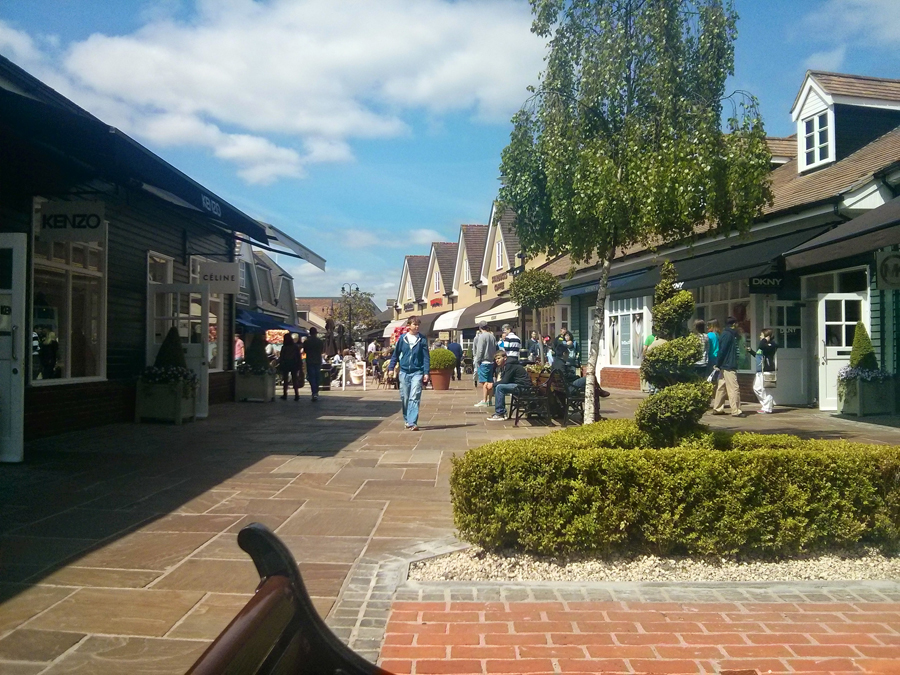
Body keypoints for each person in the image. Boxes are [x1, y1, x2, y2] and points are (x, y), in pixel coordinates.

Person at [388, 316, 430, 431]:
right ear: (408, 326)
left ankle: (412, 422)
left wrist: (426, 372)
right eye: (414, 324)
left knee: (414, 396)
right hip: (404, 372)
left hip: (417, 371)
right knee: (405, 397)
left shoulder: (422, 339)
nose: (416, 327)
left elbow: (426, 357)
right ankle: (407, 419)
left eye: (418, 325)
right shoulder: (402, 339)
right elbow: (395, 355)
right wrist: (391, 368)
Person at [711, 316, 743, 417]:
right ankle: (736, 410)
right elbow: (722, 351)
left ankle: (718, 408)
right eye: (736, 324)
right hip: (728, 365)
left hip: (725, 365)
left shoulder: (727, 334)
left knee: (722, 387)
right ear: (734, 324)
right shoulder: (728, 335)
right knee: (734, 388)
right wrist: (718, 363)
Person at [487, 350, 531, 421]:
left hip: (523, 387)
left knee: (500, 387)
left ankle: (500, 413)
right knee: (499, 387)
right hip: (519, 385)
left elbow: (505, 381)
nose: (497, 361)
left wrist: (493, 384)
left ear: (505, 358)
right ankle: (501, 412)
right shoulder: (505, 366)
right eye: (496, 359)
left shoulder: (510, 365)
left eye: (498, 358)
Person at [750, 328, 778, 414]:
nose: (760, 336)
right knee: (757, 388)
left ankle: (767, 408)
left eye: (761, 335)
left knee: (767, 389)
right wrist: (750, 351)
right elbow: (758, 355)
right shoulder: (764, 345)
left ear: (767, 336)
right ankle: (767, 403)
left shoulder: (772, 345)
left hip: (768, 369)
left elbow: (763, 346)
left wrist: (764, 340)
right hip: (760, 370)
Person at [472, 321, 497, 406]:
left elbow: (480, 350)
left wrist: (477, 360)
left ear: (480, 328)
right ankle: (489, 400)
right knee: (490, 381)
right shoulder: (492, 336)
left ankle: (484, 400)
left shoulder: (482, 337)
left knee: (484, 382)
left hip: (484, 361)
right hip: (491, 361)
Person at [278, 333, 303, 401]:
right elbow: (298, 356)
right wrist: (299, 365)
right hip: (294, 364)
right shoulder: (295, 347)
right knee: (294, 379)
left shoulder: (284, 347)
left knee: (285, 380)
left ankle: (285, 394)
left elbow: (281, 357)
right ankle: (296, 394)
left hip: (286, 364)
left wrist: (280, 364)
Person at [302, 327, 324, 401]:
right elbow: (322, 350)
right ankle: (316, 391)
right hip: (318, 360)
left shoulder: (307, 342)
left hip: (310, 360)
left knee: (311, 377)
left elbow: (305, 351)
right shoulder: (320, 341)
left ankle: (314, 392)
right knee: (317, 376)